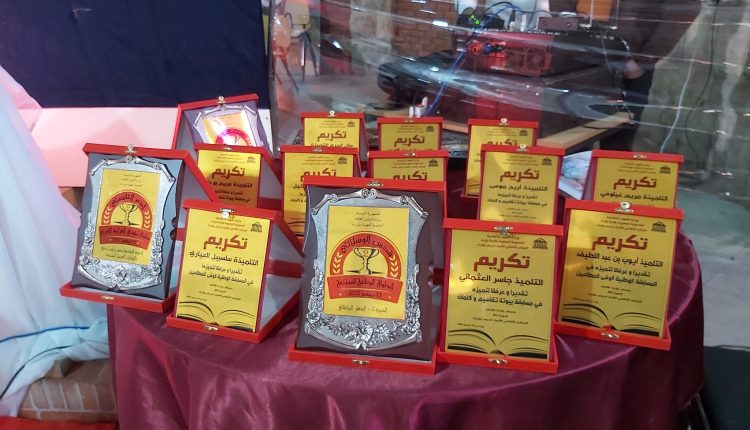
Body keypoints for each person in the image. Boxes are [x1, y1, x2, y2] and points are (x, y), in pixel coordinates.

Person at [550, 0, 701, 150]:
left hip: (629, 63)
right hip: (575, 58)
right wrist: (567, 23)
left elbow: (686, 8)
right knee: (569, 138)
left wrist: (644, 59)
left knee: (617, 144)